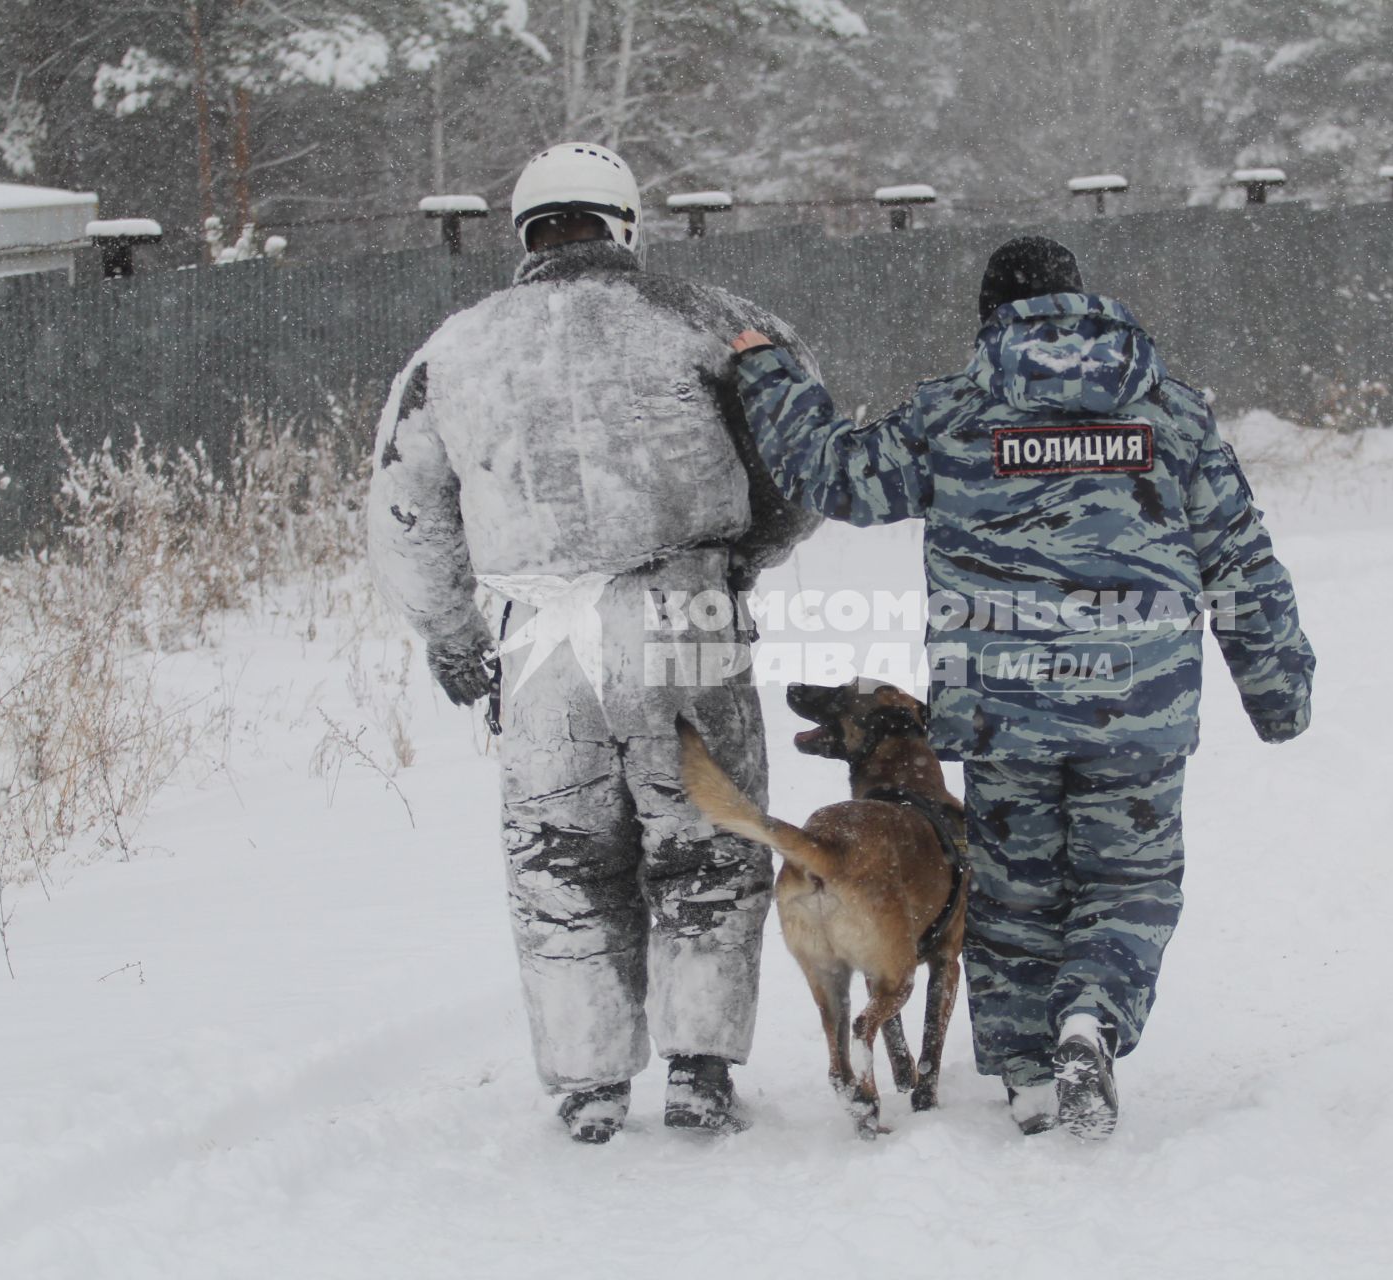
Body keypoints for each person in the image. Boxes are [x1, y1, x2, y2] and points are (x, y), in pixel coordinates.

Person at [728, 236, 1314, 1141]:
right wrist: (1277, 689)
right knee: (1130, 883)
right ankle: (1092, 1021)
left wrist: (764, 370)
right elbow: (1240, 561)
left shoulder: (957, 411)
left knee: (1015, 894)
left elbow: (831, 472)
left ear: (990, 317)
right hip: (1139, 709)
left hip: (1004, 711)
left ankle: (1031, 1076)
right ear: (1082, 301)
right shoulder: (1173, 413)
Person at [368, 142, 819, 1144]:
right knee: (707, 842)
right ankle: (698, 1064)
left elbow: (407, 513)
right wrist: (743, 557)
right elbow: (803, 452)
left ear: (525, 231)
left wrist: (451, 636)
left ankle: (587, 1080)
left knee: (563, 856)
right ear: (625, 223)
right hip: (682, 608)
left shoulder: (453, 351)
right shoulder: (711, 320)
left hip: (540, 637)